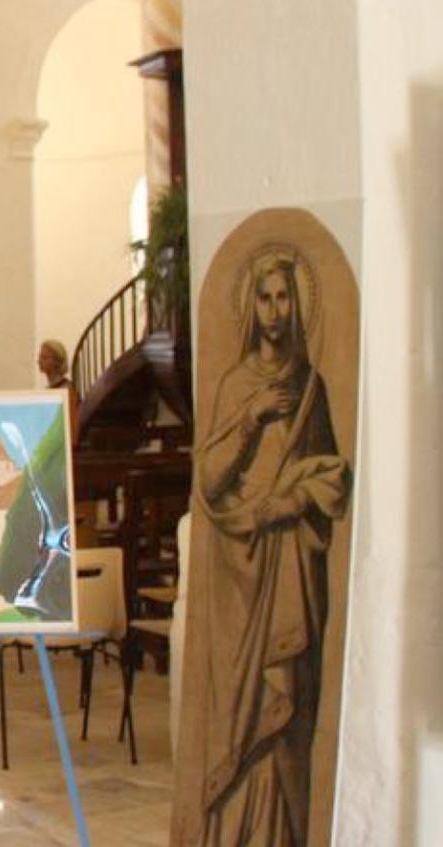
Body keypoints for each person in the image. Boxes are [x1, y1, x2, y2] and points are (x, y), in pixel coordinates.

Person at [188, 250, 349, 845]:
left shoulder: (312, 386)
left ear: (298, 304)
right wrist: (252, 416)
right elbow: (209, 482)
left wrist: (293, 499)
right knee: (243, 703)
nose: (275, 311)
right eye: (265, 298)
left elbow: (333, 474)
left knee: (287, 704)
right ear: (251, 307)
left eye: (285, 298)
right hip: (239, 567)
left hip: (291, 565)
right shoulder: (236, 384)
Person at [38, 338, 80, 427]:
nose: (39, 361)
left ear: (57, 361)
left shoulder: (67, 389)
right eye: (40, 357)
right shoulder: (48, 389)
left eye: (44, 357)